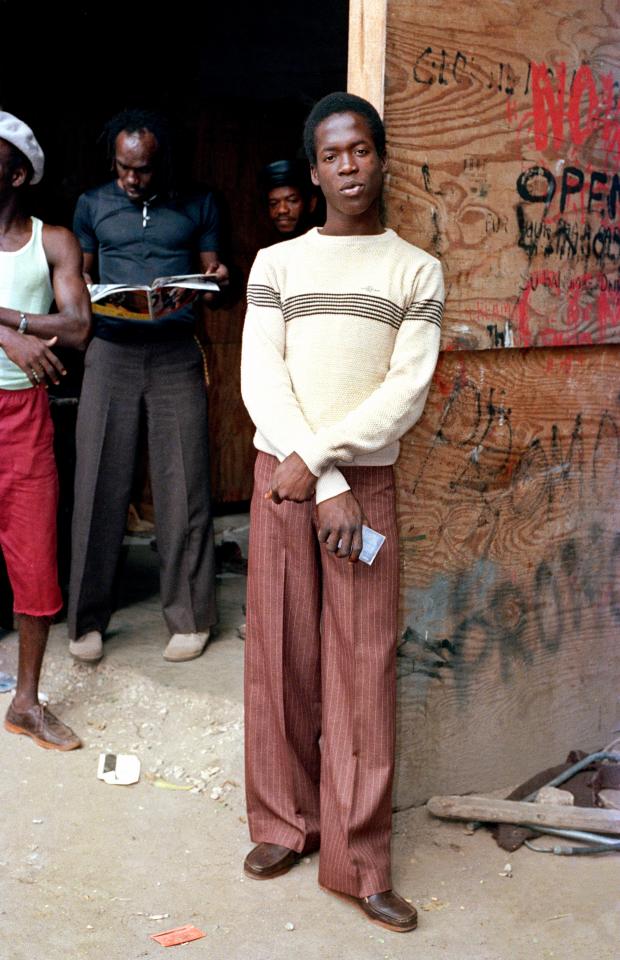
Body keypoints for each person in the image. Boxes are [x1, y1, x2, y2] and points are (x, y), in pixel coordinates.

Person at [240, 92, 444, 932]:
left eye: (362, 150)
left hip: (363, 485)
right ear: (315, 170)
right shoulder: (276, 264)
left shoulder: (415, 270)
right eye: (333, 155)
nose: (350, 166)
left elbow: (405, 392)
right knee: (281, 658)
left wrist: (329, 469)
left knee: (362, 671)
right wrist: (319, 484)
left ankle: (359, 861)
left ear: (382, 158)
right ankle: (284, 822)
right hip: (288, 484)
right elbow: (263, 379)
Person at [68, 109, 228, 664]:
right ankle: (85, 621)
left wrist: (211, 283)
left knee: (184, 484)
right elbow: (79, 278)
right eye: (124, 168)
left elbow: (214, 274)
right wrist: (87, 288)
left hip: (174, 352)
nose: (133, 179)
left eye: (143, 170)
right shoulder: (92, 205)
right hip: (110, 352)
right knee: (96, 484)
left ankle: (189, 617)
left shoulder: (198, 202)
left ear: (162, 163)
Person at [0, 111, 91, 749]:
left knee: (35, 555)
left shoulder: (52, 241)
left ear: (18, 172)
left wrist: (17, 325)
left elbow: (80, 326)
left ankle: (26, 702)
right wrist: (15, 333)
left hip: (23, 418)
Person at [259, 159, 318, 240]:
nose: (282, 210)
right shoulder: (268, 251)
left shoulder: (326, 248)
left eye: (292, 200)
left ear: (312, 203)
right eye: (273, 203)